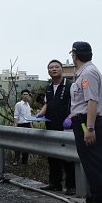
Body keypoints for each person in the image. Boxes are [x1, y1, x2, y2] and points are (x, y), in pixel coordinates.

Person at [69, 41, 102, 203]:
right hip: (83, 122)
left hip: (88, 124)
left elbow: (92, 101)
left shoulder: (88, 73)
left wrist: (90, 128)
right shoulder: (84, 73)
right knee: (89, 166)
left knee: (93, 167)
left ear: (74, 55)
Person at [36, 60, 75, 195]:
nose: (54, 69)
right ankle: (55, 183)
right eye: (51, 67)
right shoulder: (48, 87)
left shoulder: (71, 86)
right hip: (51, 125)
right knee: (52, 155)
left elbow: (78, 105)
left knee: (68, 157)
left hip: (66, 126)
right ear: (48, 71)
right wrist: (40, 114)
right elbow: (47, 104)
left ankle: (71, 185)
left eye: (56, 67)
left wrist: (70, 117)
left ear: (61, 69)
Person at [12, 89, 32, 166]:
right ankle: (16, 160)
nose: (26, 96)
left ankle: (24, 161)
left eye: (27, 94)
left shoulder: (28, 105)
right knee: (18, 144)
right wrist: (15, 126)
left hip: (27, 125)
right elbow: (16, 116)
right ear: (21, 95)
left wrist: (31, 127)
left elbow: (29, 117)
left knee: (27, 144)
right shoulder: (19, 104)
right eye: (24, 94)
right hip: (20, 125)